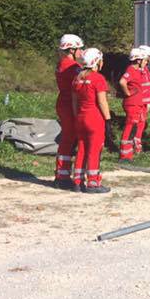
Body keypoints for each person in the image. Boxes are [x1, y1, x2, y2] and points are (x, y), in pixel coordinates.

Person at [71, 47, 112, 194]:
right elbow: (102, 101)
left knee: (81, 149)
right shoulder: (98, 78)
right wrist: (108, 119)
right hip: (94, 118)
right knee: (94, 150)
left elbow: (74, 101)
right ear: (96, 61)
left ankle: (77, 181)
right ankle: (93, 183)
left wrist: (77, 117)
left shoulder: (78, 78)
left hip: (80, 117)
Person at [53, 34, 84, 188]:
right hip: (69, 104)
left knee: (67, 138)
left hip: (62, 102)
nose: (81, 52)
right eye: (79, 49)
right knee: (69, 139)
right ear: (71, 49)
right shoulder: (73, 67)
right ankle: (63, 176)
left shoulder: (61, 63)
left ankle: (62, 173)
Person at [118, 48, 150, 161]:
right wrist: (127, 93)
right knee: (130, 127)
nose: (145, 62)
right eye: (143, 60)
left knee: (134, 127)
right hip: (132, 104)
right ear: (138, 60)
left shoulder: (139, 70)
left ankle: (129, 152)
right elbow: (122, 82)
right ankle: (124, 155)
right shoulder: (131, 70)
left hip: (138, 103)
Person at [136, 45, 150, 154]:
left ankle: (137, 144)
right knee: (139, 123)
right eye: (149, 58)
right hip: (140, 102)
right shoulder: (138, 71)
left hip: (145, 101)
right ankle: (136, 146)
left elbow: (149, 84)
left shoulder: (145, 70)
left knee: (142, 123)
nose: (149, 60)